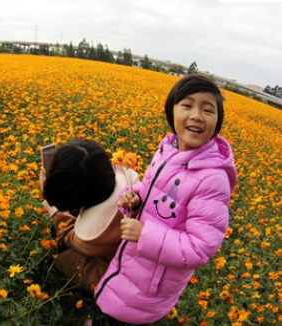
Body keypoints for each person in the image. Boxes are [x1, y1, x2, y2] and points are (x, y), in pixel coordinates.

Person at [94, 74, 238, 325]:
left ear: (218, 122)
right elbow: (150, 187)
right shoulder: (167, 151)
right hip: (132, 262)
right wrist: (134, 197)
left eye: (208, 109)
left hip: (152, 281)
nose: (197, 115)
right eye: (187, 105)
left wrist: (144, 234)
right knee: (113, 304)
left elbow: (200, 247)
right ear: (171, 112)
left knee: (126, 315)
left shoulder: (213, 179)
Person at [40, 139, 138, 295]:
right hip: (143, 263)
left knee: (66, 259)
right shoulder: (131, 182)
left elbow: (69, 234)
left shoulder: (91, 236)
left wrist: (50, 201)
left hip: (125, 284)